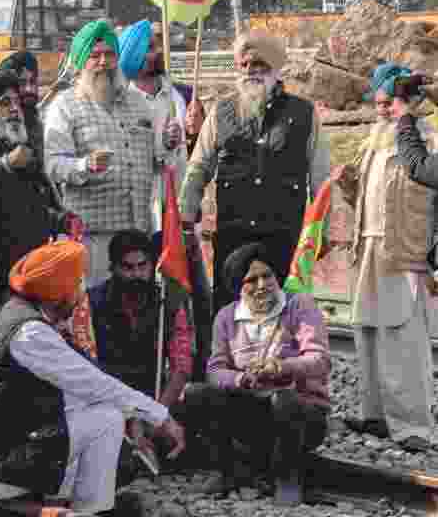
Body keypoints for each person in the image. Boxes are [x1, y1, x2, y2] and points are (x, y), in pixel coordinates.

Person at [0, 239, 187, 517]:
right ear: (57, 290)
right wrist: (161, 417)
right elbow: (96, 385)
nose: (80, 294)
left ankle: (76, 502)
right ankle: (94, 511)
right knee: (108, 418)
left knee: (95, 412)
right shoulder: (30, 333)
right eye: (76, 283)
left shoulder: (14, 311)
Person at [180, 31, 331, 315]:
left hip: (283, 236)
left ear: (275, 68)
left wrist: (322, 232)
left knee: (283, 317)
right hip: (233, 235)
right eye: (246, 65)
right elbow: (199, 166)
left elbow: (321, 179)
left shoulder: (304, 114)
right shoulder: (221, 111)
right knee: (231, 316)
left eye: (260, 65)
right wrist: (185, 214)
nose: (252, 71)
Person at [173, 243, 331, 504]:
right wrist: (241, 379)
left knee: (284, 399)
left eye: (267, 276)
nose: (261, 285)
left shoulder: (298, 305)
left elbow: (320, 360)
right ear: (238, 287)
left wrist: (282, 367)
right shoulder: (226, 317)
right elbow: (215, 370)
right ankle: (227, 471)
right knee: (195, 393)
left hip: (302, 414)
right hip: (252, 411)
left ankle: (288, 478)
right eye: (251, 280)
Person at [338, 63, 438, 452]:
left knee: (402, 340)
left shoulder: (426, 140)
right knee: (367, 332)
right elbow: (365, 198)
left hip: (405, 250)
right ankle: (375, 416)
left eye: (389, 103)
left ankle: (413, 426)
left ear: (410, 103)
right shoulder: (372, 142)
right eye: (378, 104)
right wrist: (349, 185)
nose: (382, 110)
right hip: (368, 248)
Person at [44, 20, 166, 286]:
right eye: (94, 56)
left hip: (136, 232)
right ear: (80, 61)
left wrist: (168, 143)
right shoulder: (65, 106)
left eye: (109, 54)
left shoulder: (137, 102)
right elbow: (52, 165)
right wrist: (84, 165)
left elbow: (156, 160)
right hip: (93, 235)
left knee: (138, 306)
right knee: (97, 309)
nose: (103, 62)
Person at [0, 70, 78, 278]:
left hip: (28, 267)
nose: (14, 109)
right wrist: (5, 164)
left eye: (17, 103)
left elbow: (32, 206)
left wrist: (62, 220)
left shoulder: (23, 149)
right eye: (5, 103)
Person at [85, 230, 193, 406]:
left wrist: (157, 414)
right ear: (113, 268)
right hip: (108, 398)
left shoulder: (168, 304)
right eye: (128, 267)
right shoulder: (92, 303)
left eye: (142, 266)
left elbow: (181, 367)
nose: (136, 274)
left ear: (152, 265)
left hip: (156, 395)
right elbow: (87, 366)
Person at [117, 21, 199, 232]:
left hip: (178, 203)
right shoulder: (120, 102)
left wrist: (194, 131)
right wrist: (161, 144)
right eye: (151, 47)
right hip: (138, 208)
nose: (160, 51)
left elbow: (197, 153)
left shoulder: (185, 96)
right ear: (135, 55)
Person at [0, 50, 45, 156]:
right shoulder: (0, 128)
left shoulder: (38, 122)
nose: (29, 89)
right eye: (22, 83)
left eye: (32, 81)